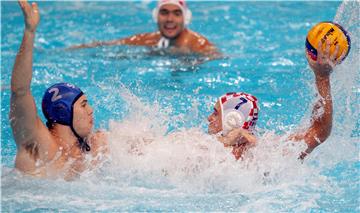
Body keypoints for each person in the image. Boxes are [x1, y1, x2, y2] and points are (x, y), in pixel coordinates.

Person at [10, 0, 108, 180]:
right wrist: (29, 32)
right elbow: (20, 91)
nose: (91, 110)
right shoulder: (37, 145)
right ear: (64, 111)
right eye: (84, 105)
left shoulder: (91, 147)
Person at [208, 39, 345, 160]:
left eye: (215, 113)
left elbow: (318, 133)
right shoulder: (265, 155)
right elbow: (319, 132)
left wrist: (322, 77)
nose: (209, 118)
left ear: (232, 119)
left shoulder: (263, 152)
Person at [69, 0, 220, 58]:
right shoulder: (150, 39)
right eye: (164, 12)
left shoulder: (199, 45)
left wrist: (189, 61)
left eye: (176, 13)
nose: (169, 19)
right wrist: (78, 49)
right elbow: (111, 45)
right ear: (156, 15)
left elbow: (216, 58)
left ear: (185, 18)